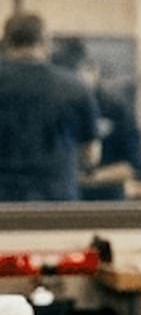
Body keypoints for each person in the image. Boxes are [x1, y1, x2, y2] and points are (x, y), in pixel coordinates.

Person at [0, 13, 97, 202]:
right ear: (45, 41)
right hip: (56, 199)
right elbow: (90, 154)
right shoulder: (74, 86)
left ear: (6, 41)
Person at [49, 37, 141, 201]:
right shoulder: (52, 107)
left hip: (106, 201)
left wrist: (87, 179)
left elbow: (132, 165)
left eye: (77, 76)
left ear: (94, 70)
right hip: (59, 199)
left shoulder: (115, 108)